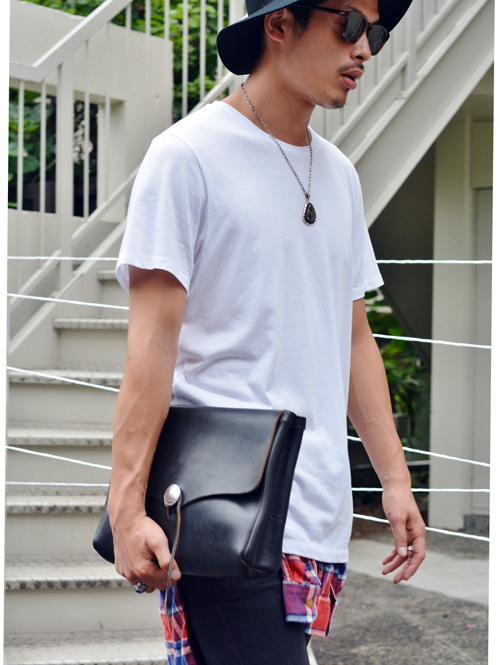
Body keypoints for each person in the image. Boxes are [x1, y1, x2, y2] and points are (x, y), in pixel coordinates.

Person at [107, 1, 426, 663]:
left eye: (376, 31)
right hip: (225, 503)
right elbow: (152, 344)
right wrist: (127, 506)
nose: (366, 48)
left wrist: (395, 480)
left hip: (317, 513)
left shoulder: (339, 175)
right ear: (278, 24)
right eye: (349, 24)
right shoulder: (187, 157)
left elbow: (353, 337)